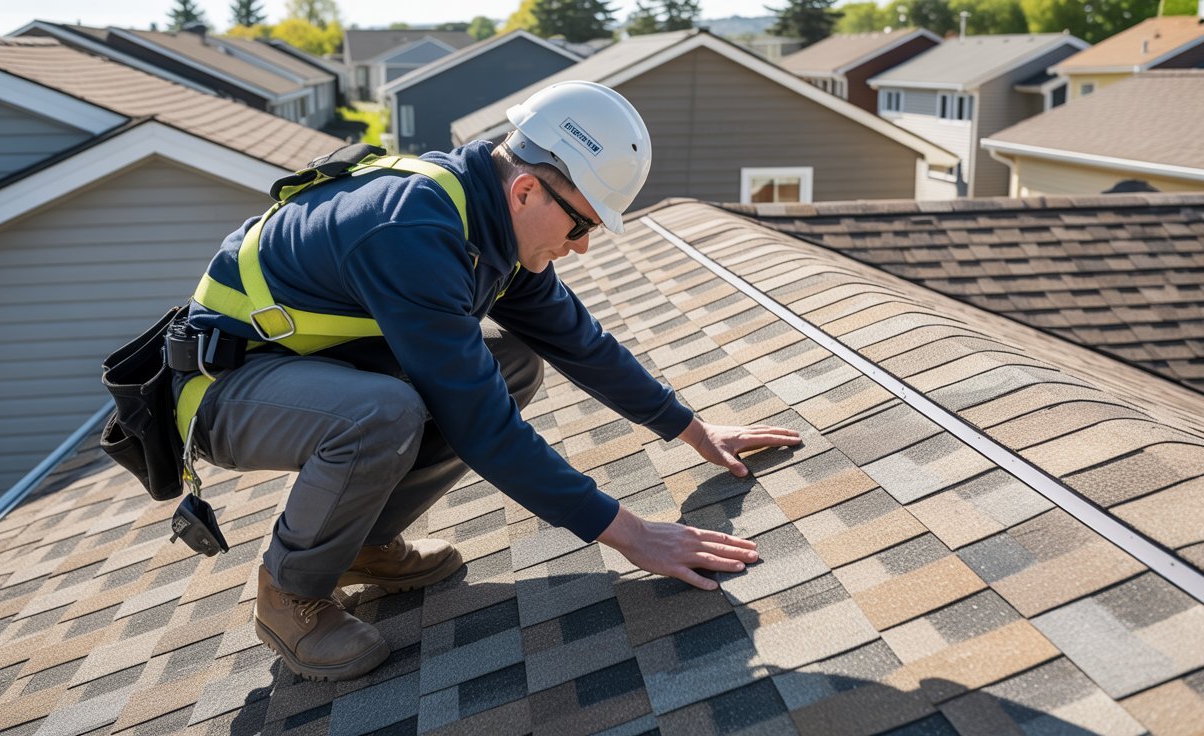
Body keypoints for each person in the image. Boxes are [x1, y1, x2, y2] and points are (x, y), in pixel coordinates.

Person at [174, 81, 802, 681]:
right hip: (223, 388)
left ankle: (361, 545)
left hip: (306, 369)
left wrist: (691, 429)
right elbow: (483, 427)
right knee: (382, 414)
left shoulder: (490, 220)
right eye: (581, 225)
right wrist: (634, 536)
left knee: (514, 362)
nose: (581, 248)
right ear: (527, 189)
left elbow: (579, 344)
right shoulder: (413, 232)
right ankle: (291, 592)